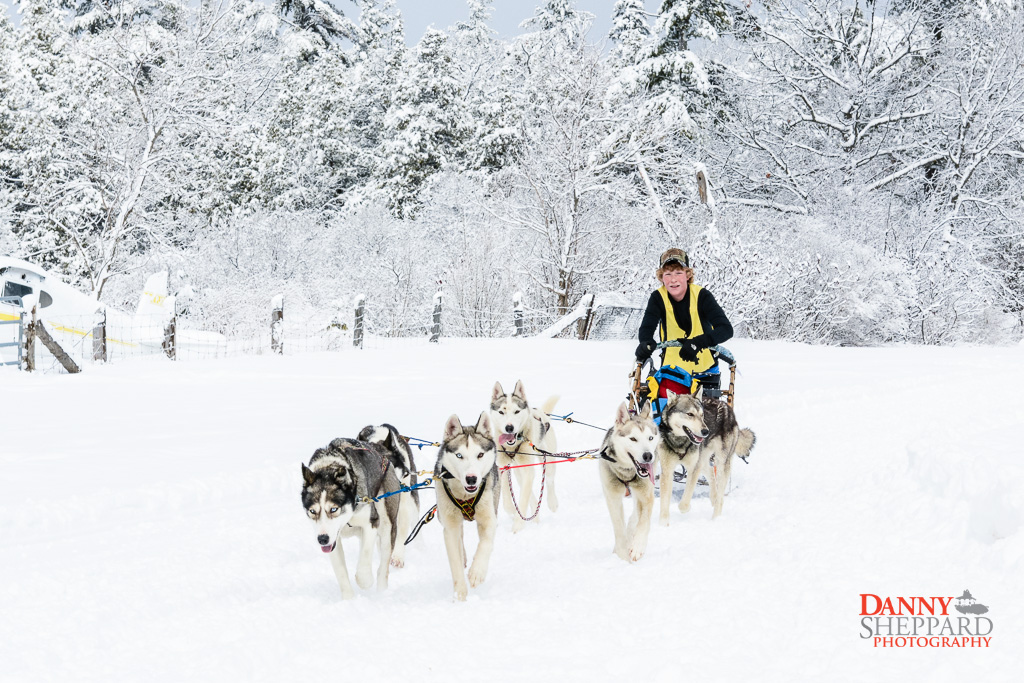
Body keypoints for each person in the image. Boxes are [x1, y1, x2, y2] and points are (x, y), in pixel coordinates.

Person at [635, 247, 733, 402]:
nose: (673, 279)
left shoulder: (702, 296)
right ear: (661, 277)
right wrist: (645, 343)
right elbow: (647, 327)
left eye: (678, 273)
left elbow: (726, 329)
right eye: (668, 274)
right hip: (672, 374)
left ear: (687, 275)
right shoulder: (658, 298)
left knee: (702, 416)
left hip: (705, 374)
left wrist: (698, 343)